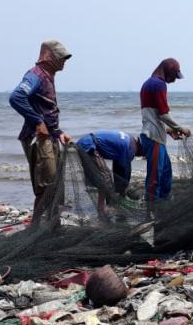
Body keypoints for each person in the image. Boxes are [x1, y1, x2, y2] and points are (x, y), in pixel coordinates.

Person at [9, 40, 72, 217]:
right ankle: (37, 228)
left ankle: (53, 225)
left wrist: (58, 132)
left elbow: (45, 109)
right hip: (38, 138)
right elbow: (17, 97)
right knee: (47, 185)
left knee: (56, 184)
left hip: (50, 137)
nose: (64, 61)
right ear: (47, 56)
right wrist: (37, 122)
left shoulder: (48, 76)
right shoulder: (35, 75)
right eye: (61, 57)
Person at [140, 58, 191, 209]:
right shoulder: (158, 84)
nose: (174, 80)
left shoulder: (150, 83)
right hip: (153, 137)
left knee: (166, 174)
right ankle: (151, 212)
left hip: (156, 135)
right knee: (155, 178)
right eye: (174, 76)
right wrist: (181, 128)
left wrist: (168, 130)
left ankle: (163, 208)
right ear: (168, 71)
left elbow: (153, 115)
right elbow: (163, 114)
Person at [75, 131, 143, 218]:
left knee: (105, 178)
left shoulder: (129, 139)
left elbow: (118, 166)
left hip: (86, 143)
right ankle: (102, 208)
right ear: (140, 147)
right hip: (89, 146)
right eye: (143, 152)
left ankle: (105, 205)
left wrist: (118, 189)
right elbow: (125, 171)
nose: (141, 155)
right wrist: (122, 190)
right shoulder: (131, 147)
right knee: (105, 178)